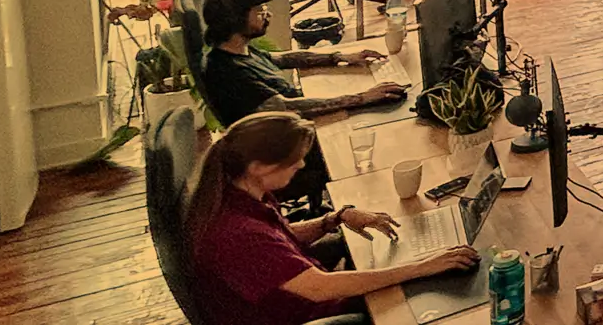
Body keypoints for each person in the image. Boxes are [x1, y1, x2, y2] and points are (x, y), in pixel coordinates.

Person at [187, 113, 481, 325]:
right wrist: (423, 266)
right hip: (308, 315)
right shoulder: (238, 234)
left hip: (308, 300)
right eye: (294, 159)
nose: (301, 164)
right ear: (259, 166)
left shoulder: (241, 192)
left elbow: (281, 238)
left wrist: (335, 218)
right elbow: (321, 288)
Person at [200, 0, 406, 123]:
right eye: (260, 11)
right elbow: (287, 107)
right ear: (236, 20)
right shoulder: (228, 72)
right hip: (281, 144)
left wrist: (340, 57)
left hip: (296, 123)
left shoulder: (238, 49)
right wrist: (362, 98)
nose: (268, 14)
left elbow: (283, 58)